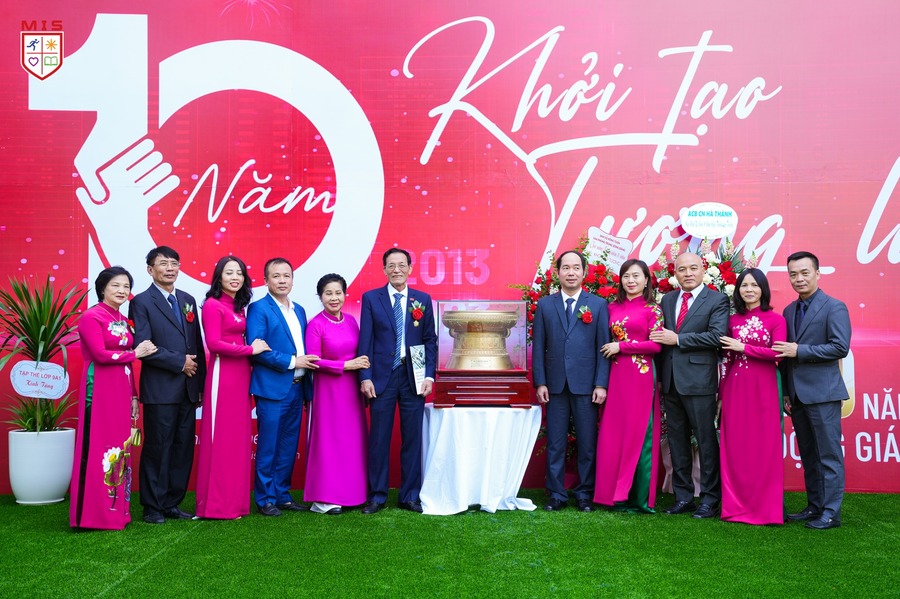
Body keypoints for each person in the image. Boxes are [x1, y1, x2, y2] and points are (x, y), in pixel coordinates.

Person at [70, 267, 157, 529]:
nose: (122, 291)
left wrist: (134, 396)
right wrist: (136, 353)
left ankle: (115, 511)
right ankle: (90, 515)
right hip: (98, 389)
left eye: (126, 286)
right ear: (102, 288)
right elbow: (99, 354)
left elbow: (127, 363)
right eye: (115, 285)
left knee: (119, 449)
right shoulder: (91, 316)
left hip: (121, 389)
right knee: (98, 447)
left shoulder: (121, 318)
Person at [774, 251, 851, 530]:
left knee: (828, 455)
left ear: (817, 273)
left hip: (823, 394)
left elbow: (839, 347)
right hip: (797, 395)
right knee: (808, 453)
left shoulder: (835, 307)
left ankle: (831, 513)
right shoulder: (788, 311)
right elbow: (785, 355)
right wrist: (785, 390)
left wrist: (800, 350)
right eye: (793, 274)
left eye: (804, 272)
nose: (799, 278)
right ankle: (815, 505)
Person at [357, 248, 437, 514]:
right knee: (379, 438)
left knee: (412, 438)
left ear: (410, 268)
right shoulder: (372, 298)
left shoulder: (422, 299)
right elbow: (366, 340)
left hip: (414, 376)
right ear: (384, 270)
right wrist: (365, 376)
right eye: (391, 265)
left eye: (402, 265)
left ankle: (409, 495)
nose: (397, 270)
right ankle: (377, 496)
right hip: (382, 376)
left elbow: (430, 341)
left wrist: (429, 375)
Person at [130, 247, 206, 524]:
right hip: (160, 388)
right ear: (150, 270)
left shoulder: (187, 299)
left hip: (188, 388)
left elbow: (197, 344)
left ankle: (172, 502)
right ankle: (152, 506)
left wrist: (200, 383)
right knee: (158, 448)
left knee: (182, 448)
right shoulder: (141, 301)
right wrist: (180, 362)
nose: (170, 268)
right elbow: (144, 346)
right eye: (164, 264)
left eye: (174, 263)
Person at [651, 251, 729, 518]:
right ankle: (683, 497)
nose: (688, 273)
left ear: (703, 270)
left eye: (693, 268)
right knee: (677, 441)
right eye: (682, 269)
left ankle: (710, 498)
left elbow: (717, 337)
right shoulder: (668, 299)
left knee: (706, 441)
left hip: (699, 382)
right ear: (675, 273)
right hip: (671, 381)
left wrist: (679, 339)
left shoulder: (717, 300)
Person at [532, 250, 610, 512]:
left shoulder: (597, 305)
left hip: (586, 385)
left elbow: (603, 346)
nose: (571, 272)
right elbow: (538, 346)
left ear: (584, 272)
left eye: (576, 267)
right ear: (557, 273)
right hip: (554, 385)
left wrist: (601, 384)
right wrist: (540, 382)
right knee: (555, 442)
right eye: (566, 268)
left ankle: (585, 493)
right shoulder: (545, 305)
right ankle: (556, 494)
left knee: (587, 443)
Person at [195, 256, 270, 519]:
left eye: (239, 273)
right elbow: (214, 344)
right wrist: (250, 349)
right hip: (222, 376)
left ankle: (234, 503)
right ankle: (215, 506)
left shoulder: (239, 307)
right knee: (221, 438)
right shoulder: (212, 305)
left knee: (236, 440)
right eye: (229, 273)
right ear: (219, 276)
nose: (235, 277)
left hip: (241, 376)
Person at [246, 258, 318, 516]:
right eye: (276, 276)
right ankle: (265, 498)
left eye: (286, 276)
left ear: (293, 280)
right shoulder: (258, 309)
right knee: (269, 445)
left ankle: (282, 495)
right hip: (272, 389)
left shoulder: (299, 310)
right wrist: (293, 361)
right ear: (266, 281)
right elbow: (258, 350)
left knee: (288, 446)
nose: (282, 280)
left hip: (298, 387)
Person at [718, 268, 786, 525]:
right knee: (737, 445)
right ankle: (736, 505)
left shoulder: (776, 320)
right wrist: (721, 394)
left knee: (764, 446)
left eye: (754, 285)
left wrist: (744, 347)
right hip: (736, 387)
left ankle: (766, 508)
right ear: (738, 291)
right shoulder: (732, 320)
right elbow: (727, 360)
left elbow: (778, 354)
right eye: (744, 285)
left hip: (764, 387)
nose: (749, 290)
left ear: (763, 289)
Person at [595, 259, 663, 513]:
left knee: (639, 433)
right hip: (616, 376)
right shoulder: (611, 307)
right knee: (613, 433)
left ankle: (637, 497)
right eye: (626, 276)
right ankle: (610, 495)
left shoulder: (653, 309)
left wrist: (621, 347)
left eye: (636, 276)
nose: (631, 280)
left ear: (646, 280)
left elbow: (656, 346)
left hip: (641, 376)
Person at [303, 274, 370, 515]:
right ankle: (325, 499)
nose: (334, 298)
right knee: (329, 441)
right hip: (328, 391)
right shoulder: (315, 324)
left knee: (351, 441)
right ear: (320, 297)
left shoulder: (351, 321)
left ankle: (354, 494)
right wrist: (345, 366)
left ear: (345, 294)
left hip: (351, 391)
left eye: (338, 293)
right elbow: (313, 361)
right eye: (328, 293)